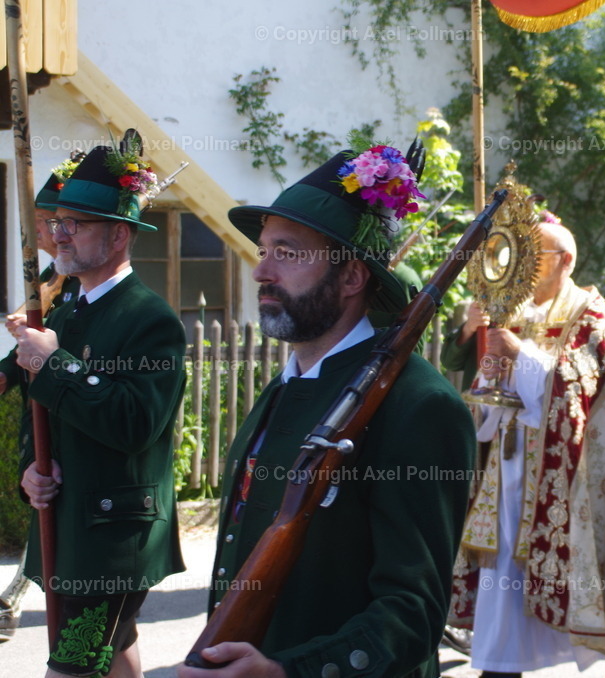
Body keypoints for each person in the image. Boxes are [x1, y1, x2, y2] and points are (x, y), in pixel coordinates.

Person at [177, 147, 476, 678]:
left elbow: (414, 615)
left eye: (287, 253)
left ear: (352, 277)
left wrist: (288, 672)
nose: (261, 271)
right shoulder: (286, 386)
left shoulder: (420, 406)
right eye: (264, 249)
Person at [445, 212, 605, 678]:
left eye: (534, 257)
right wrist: (490, 377)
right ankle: (499, 666)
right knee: (502, 584)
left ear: (565, 260)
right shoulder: (513, 312)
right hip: (507, 479)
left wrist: (518, 355)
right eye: (519, 256)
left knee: (594, 572)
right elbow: (487, 406)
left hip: (575, 480)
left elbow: (576, 392)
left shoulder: (589, 313)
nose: (521, 267)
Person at [14, 141, 188, 677]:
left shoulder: (150, 318)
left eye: (77, 224)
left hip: (113, 538)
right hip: (72, 524)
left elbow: (134, 424)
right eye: (59, 221)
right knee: (117, 649)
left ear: (118, 234)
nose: (59, 234)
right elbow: (34, 406)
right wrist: (31, 466)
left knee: (72, 667)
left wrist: (55, 366)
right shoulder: (67, 312)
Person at [0, 162, 82, 642]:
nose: (38, 232)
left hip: (64, 413)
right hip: (40, 412)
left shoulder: (77, 282)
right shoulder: (54, 277)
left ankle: (13, 598)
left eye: (44, 222)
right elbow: (26, 351)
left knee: (51, 522)